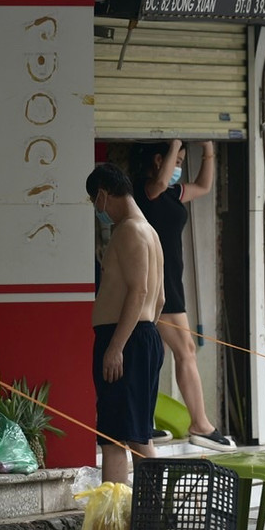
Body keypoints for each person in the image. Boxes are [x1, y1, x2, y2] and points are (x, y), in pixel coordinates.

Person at [129, 139, 236, 452]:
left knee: (156, 354)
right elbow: (160, 182)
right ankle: (200, 423)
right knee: (185, 348)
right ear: (160, 159)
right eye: (177, 161)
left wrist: (209, 149)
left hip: (170, 281)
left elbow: (203, 185)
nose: (179, 168)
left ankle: (144, 422)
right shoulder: (145, 191)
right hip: (153, 282)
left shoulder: (174, 194)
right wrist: (175, 138)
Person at [86, 162, 167, 485]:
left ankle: (115, 519)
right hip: (141, 336)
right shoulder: (150, 231)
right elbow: (159, 300)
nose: (97, 209)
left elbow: (141, 290)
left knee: (115, 437)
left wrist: (117, 346)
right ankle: (151, 512)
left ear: (103, 195)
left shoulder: (129, 230)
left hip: (124, 338)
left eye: (95, 200)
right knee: (136, 434)